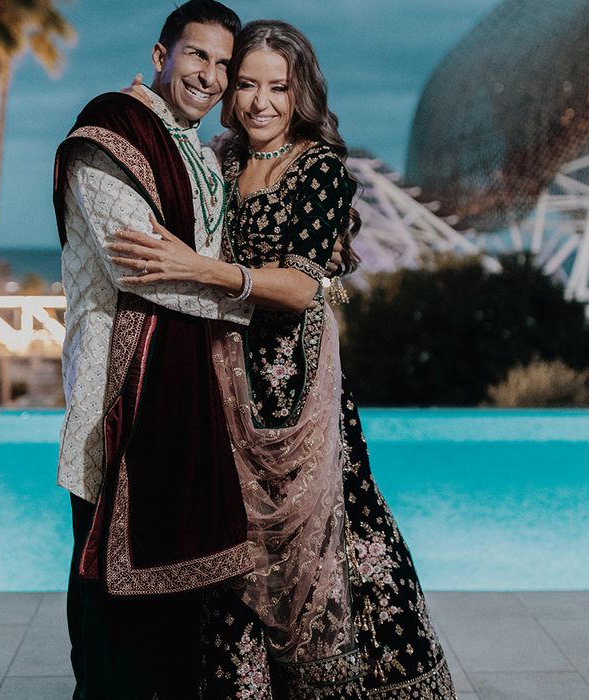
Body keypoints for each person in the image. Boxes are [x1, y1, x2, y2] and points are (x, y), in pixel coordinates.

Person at [110, 20, 458, 699]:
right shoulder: (223, 160)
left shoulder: (321, 169)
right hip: (219, 391)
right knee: (232, 553)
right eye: (246, 85)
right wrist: (143, 105)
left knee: (336, 545)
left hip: (299, 401)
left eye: (278, 86)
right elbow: (166, 151)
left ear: (302, 91)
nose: (261, 102)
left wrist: (201, 269)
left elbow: (300, 288)